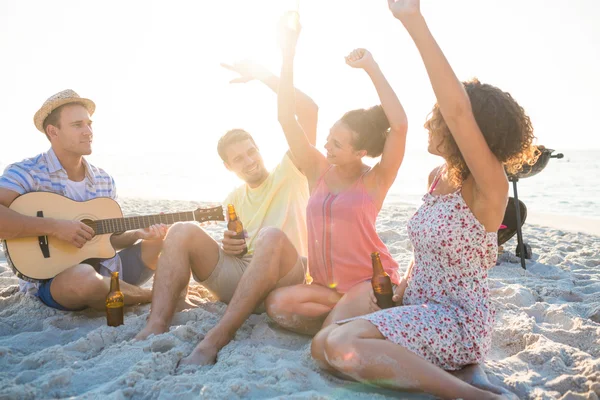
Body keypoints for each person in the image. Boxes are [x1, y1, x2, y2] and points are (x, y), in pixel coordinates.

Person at [310, 2, 538, 399]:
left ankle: (472, 394)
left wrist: (412, 21)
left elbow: (458, 108)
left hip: (455, 320)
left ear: (462, 128)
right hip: (417, 307)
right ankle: (459, 376)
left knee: (339, 345)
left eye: (438, 117)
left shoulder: (488, 187)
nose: (430, 122)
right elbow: (428, 250)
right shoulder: (438, 178)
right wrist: (400, 293)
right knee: (321, 345)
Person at [134, 61, 318, 367]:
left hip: (288, 273)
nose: (249, 161)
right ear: (228, 167)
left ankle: (215, 339)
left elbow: (309, 110)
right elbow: (239, 250)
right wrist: (230, 248)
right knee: (180, 230)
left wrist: (264, 76)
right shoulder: (233, 198)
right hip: (247, 280)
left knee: (271, 237)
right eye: (238, 159)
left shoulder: (292, 171)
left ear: (260, 149)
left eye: (251, 151)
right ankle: (156, 324)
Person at [265, 14, 409, 335]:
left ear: (360, 153)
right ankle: (351, 315)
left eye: (337, 144)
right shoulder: (317, 168)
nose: (327, 145)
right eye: (329, 136)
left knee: (329, 330)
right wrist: (288, 53)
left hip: (369, 281)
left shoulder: (375, 180)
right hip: (327, 287)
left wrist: (371, 67)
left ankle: (360, 310)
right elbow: (285, 117)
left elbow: (399, 126)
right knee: (276, 305)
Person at [0, 89, 168, 312]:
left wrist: (138, 234)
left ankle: (119, 290)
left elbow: (108, 240)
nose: (88, 131)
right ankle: (152, 295)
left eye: (89, 124)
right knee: (84, 279)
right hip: (54, 281)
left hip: (107, 269)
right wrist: (56, 227)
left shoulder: (103, 180)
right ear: (53, 131)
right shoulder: (26, 172)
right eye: (77, 125)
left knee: (166, 239)